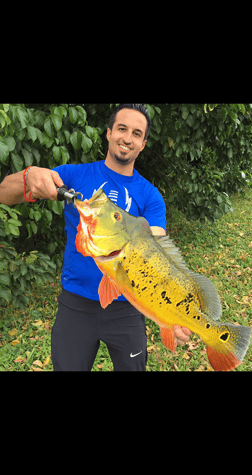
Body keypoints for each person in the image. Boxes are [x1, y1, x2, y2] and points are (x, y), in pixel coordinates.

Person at [0, 104, 192, 371]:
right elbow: (4, 193)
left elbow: (156, 257)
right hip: (75, 304)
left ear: (143, 144)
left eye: (137, 134)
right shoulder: (74, 176)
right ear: (109, 132)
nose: (127, 138)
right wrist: (29, 175)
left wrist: (170, 314)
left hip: (127, 309)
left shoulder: (151, 197)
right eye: (122, 129)